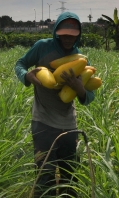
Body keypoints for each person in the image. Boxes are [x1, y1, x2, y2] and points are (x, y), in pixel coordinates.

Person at [15, 11, 95, 197]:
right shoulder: (43, 47)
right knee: (45, 175)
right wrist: (26, 76)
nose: (67, 39)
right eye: (64, 34)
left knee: (69, 175)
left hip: (69, 123)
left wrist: (79, 88)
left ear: (79, 35)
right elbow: (20, 64)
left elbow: (90, 96)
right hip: (42, 121)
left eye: (72, 35)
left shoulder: (80, 60)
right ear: (57, 32)